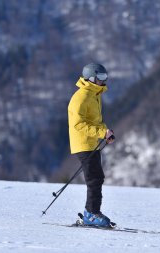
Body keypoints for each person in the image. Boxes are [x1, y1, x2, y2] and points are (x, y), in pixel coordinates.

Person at [68, 63, 115, 227]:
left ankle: (93, 212)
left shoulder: (94, 95)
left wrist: (105, 132)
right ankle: (91, 214)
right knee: (94, 178)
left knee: (97, 177)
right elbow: (78, 125)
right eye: (100, 78)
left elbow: (95, 121)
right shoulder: (81, 97)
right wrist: (101, 133)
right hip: (83, 143)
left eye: (105, 77)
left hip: (92, 142)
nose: (103, 81)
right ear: (91, 78)